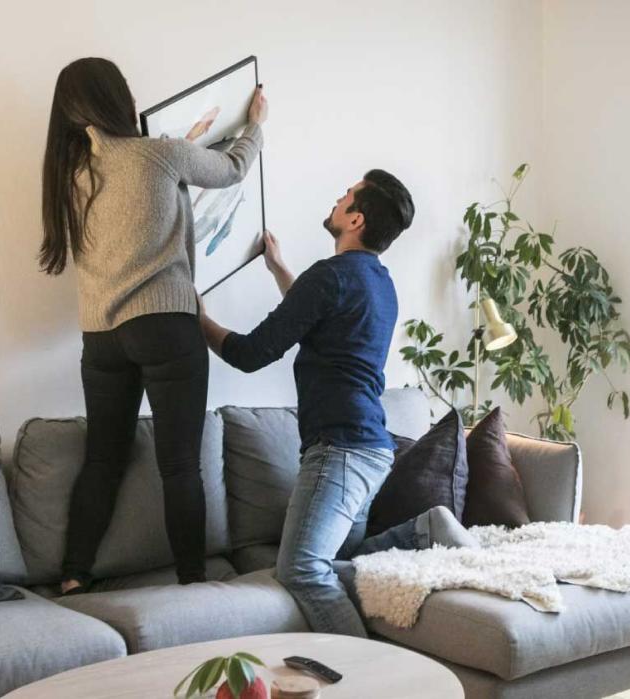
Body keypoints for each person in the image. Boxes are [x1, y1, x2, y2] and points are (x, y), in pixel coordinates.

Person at [199, 171, 477, 636]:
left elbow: (250, 354)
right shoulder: (378, 283)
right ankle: (424, 531)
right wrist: (277, 268)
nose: (336, 199)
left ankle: (362, 677)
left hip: (339, 450)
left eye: (345, 196)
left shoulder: (329, 278)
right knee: (342, 563)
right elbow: (316, 314)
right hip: (371, 449)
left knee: (302, 571)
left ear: (356, 218)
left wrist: (198, 320)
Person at [39, 57, 267, 592]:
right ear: (117, 98)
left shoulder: (71, 179)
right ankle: (192, 580)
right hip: (164, 325)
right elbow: (232, 168)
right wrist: (255, 124)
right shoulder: (157, 155)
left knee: (102, 459)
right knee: (180, 464)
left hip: (101, 338)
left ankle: (74, 574)